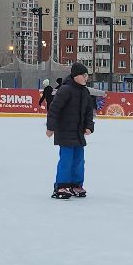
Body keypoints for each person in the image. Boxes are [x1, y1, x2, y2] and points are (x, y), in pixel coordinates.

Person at [46, 63, 95, 198]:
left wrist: (89, 126)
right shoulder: (65, 90)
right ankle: (61, 186)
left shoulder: (85, 92)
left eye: (87, 75)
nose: (86, 78)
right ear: (75, 76)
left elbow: (88, 112)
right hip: (65, 132)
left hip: (78, 134)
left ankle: (76, 185)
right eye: (83, 75)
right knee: (66, 160)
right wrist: (50, 127)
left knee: (79, 160)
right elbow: (54, 109)